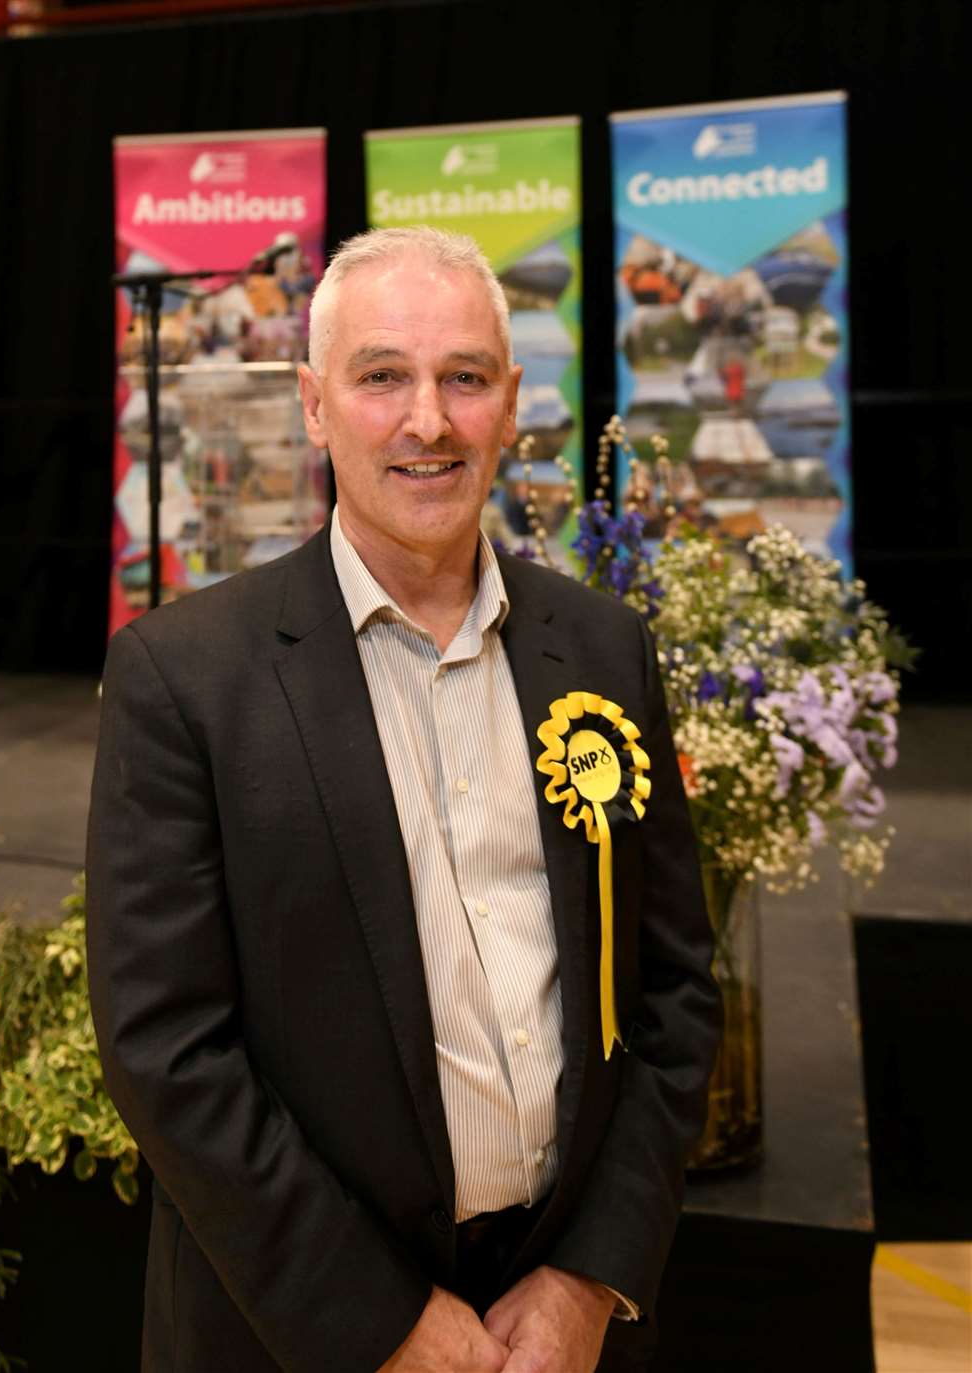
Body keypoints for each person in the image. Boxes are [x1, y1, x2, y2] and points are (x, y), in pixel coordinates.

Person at [86, 226, 721, 1373]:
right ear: (316, 405)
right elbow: (165, 1046)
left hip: (563, 1324)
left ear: (512, 401)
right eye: (383, 375)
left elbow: (672, 991)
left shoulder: (603, 649)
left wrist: (589, 1275)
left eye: (464, 377)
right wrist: (373, 1319)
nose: (428, 419)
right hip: (300, 1329)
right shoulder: (187, 679)